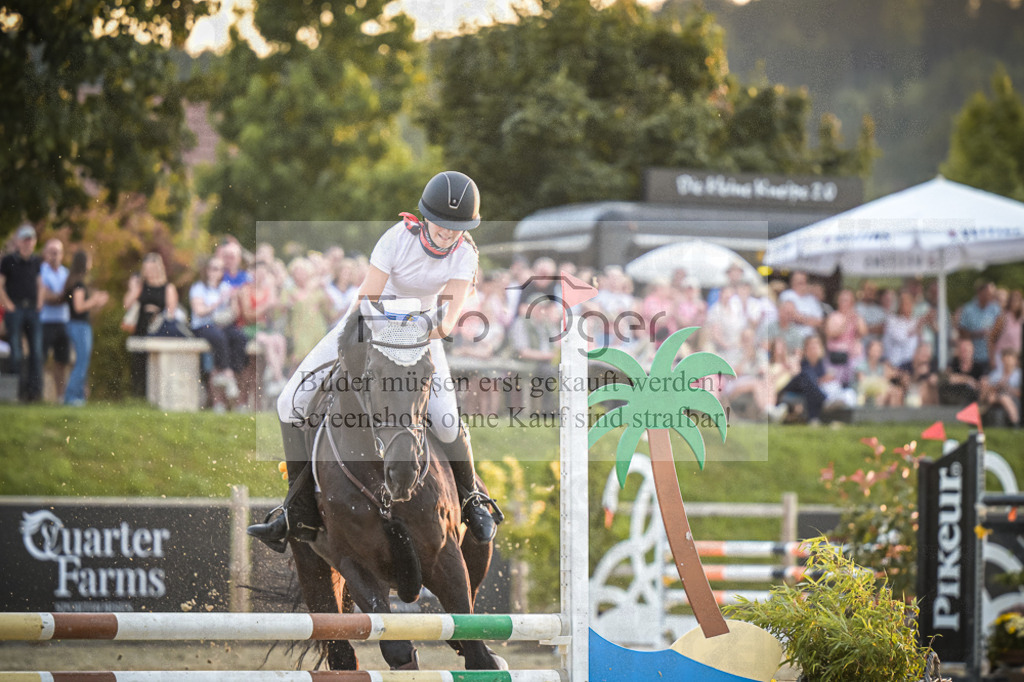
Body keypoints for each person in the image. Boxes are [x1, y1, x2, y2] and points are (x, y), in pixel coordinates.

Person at [248, 171, 503, 549]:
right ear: (425, 217)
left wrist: (410, 331)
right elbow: (366, 303)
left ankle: (471, 499)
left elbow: (447, 321)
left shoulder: (466, 255)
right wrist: (391, 329)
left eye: (458, 227)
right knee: (290, 402)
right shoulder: (395, 240)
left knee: (447, 422)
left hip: (424, 334)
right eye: (443, 225)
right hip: (369, 326)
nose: (449, 234)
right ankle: (295, 509)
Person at [190, 256, 248, 412]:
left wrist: (233, 300)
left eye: (221, 269)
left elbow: (234, 314)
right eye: (214, 268)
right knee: (219, 338)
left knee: (240, 337)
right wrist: (218, 302)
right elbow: (199, 311)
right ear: (207, 270)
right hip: (203, 326)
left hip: (222, 325)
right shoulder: (199, 288)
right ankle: (227, 373)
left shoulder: (225, 286)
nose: (217, 272)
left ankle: (233, 371)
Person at [123, 252, 179, 397]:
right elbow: (127, 305)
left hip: (158, 329)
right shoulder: (141, 286)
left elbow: (171, 312)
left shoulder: (168, 288)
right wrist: (134, 288)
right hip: (141, 327)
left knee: (156, 363)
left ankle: (156, 396)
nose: (150, 273)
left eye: (152, 269)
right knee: (138, 363)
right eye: (147, 270)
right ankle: (138, 396)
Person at [0, 224, 44, 401]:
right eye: (24, 240)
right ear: (18, 242)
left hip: (32, 309)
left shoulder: (36, 261)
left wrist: (40, 303)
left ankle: (34, 393)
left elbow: (40, 284)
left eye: (30, 240)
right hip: (15, 309)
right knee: (16, 351)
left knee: (36, 351)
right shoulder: (8, 261)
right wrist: (8, 304)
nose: (27, 243)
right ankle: (16, 393)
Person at [63, 250, 110, 405]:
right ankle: (72, 397)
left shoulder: (75, 282)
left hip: (78, 325)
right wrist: (95, 300)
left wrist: (96, 303)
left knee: (82, 361)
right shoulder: (78, 284)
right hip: (79, 326)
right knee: (82, 362)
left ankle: (78, 397)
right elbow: (79, 307)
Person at [39, 238, 70, 403]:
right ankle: (38, 395)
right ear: (45, 253)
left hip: (62, 322)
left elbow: (65, 296)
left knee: (61, 361)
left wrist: (59, 296)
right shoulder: (41, 272)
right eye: (51, 252)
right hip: (45, 322)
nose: (54, 255)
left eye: (57, 252)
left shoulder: (66, 273)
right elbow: (46, 296)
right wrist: (62, 297)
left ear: (62, 254)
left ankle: (60, 397)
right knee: (41, 359)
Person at [956, 280, 1001, 374]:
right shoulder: (968, 309)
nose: (991, 296)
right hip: (973, 357)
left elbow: (1001, 331)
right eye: (988, 293)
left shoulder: (995, 309)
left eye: (991, 294)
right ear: (980, 293)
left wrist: (994, 333)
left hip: (990, 356)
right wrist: (976, 334)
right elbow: (961, 332)